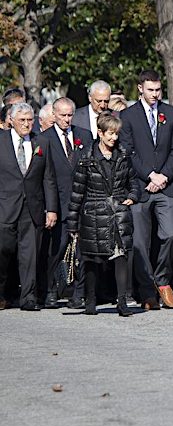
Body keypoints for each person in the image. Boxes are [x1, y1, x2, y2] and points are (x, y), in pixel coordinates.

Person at [119, 70, 173, 310]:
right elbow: (128, 152)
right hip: (140, 186)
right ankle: (147, 290)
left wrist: (163, 176)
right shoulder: (127, 116)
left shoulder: (172, 114)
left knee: (171, 234)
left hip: (165, 187)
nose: (155, 94)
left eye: (158, 90)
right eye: (150, 90)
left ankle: (162, 280)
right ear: (140, 89)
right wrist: (150, 175)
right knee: (140, 242)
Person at [67, 113, 139, 316]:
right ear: (100, 133)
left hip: (117, 214)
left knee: (121, 256)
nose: (114, 138)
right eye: (110, 134)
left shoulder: (123, 156)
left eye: (116, 134)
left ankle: (122, 300)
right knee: (91, 259)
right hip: (94, 212)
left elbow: (133, 181)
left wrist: (132, 196)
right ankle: (90, 299)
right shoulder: (87, 159)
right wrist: (73, 223)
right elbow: (77, 192)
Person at [0, 102, 58, 310]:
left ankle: (28, 297)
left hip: (32, 207)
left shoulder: (41, 142)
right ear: (11, 121)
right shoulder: (2, 141)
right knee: (3, 250)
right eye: (22, 120)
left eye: (30, 120)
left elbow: (48, 178)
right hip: (5, 206)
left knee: (30, 254)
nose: (26, 124)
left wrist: (51, 209)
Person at [36, 97, 92, 308]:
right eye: (62, 115)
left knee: (81, 252)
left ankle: (78, 293)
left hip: (82, 202)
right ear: (54, 114)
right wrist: (49, 206)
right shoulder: (45, 138)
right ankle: (50, 290)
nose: (67, 119)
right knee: (56, 249)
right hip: (57, 202)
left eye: (70, 115)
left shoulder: (84, 136)